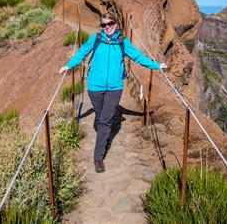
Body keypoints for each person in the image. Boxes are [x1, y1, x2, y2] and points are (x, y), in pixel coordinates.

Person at [59, 12, 167, 173]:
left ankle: (98, 157)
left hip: (115, 88)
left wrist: (156, 66)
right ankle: (104, 135)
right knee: (100, 116)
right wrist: (68, 65)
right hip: (95, 87)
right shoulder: (95, 39)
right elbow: (81, 53)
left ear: (117, 25)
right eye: (104, 25)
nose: (107, 27)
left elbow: (138, 57)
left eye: (110, 24)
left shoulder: (123, 42)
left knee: (105, 121)